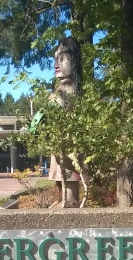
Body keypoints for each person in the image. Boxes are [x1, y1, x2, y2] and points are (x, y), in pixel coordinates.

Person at [47, 36, 83, 207]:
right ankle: (61, 197)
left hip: (69, 142)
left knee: (68, 171)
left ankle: (70, 200)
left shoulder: (72, 88)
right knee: (58, 173)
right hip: (56, 142)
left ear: (73, 60)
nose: (56, 64)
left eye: (61, 59)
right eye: (55, 59)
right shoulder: (58, 88)